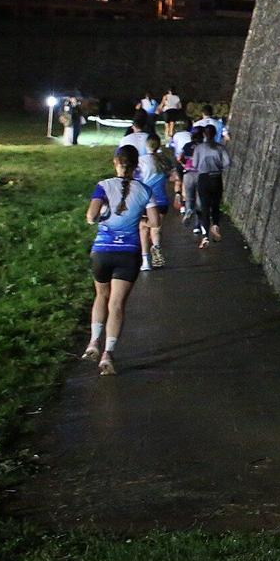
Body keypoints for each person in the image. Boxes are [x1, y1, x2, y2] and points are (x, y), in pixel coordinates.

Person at [84, 146, 152, 375]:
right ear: (136, 166)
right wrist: (138, 218)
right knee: (117, 304)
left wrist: (103, 217)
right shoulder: (145, 190)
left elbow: (91, 216)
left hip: (102, 252)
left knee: (101, 296)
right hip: (128, 253)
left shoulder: (102, 186)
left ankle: (93, 342)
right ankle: (108, 354)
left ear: (115, 162)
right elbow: (154, 221)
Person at [123, 117, 168, 270]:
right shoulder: (164, 161)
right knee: (156, 228)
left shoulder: (140, 162)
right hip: (162, 200)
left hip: (145, 200)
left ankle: (146, 261)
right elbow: (174, 176)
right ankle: (156, 247)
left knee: (143, 228)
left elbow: (133, 179)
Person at [189, 125, 229, 248]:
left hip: (204, 178)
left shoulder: (199, 148)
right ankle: (216, 226)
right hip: (216, 178)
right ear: (215, 133)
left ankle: (205, 236)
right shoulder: (220, 148)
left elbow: (194, 164)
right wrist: (218, 166)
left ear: (204, 134)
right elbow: (227, 162)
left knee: (205, 208)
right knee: (216, 205)